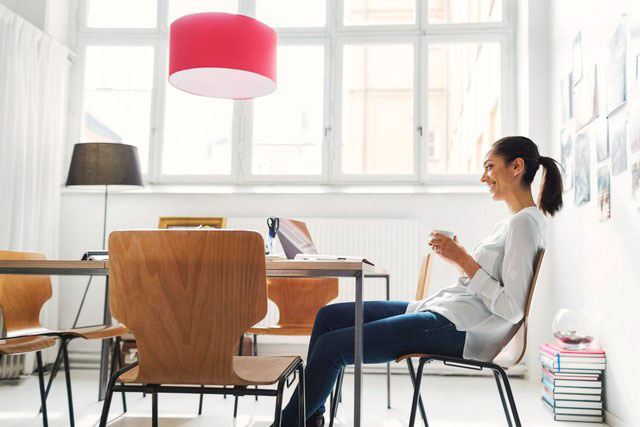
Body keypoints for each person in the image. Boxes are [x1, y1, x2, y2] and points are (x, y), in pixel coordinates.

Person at [277, 136, 564, 427]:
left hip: (460, 329)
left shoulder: (524, 224)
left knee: (332, 347)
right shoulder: (512, 223)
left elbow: (512, 308)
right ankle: (309, 419)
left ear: (516, 166)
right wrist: (458, 259)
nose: (483, 177)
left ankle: (288, 424)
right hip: (445, 312)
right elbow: (486, 284)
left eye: (490, 167)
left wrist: (465, 260)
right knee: (329, 317)